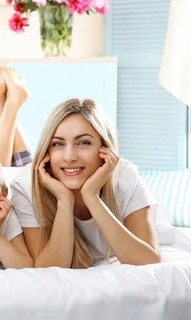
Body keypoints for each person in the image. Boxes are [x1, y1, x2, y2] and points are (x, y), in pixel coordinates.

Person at [10, 98, 162, 268]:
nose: (69, 157)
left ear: (105, 148)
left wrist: (91, 197)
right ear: (47, 151)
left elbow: (149, 261)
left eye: (83, 143)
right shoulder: (27, 187)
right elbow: (47, 270)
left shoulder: (125, 179)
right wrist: (64, 201)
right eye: (58, 144)